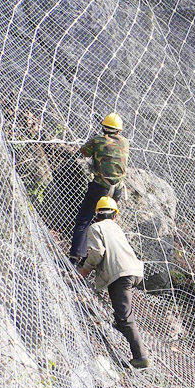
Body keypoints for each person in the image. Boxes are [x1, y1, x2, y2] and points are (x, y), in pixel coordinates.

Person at [78, 196, 150, 369]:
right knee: (121, 314)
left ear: (97, 215)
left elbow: (97, 252)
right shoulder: (116, 228)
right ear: (114, 215)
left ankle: (141, 357)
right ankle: (120, 326)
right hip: (131, 270)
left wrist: (84, 270)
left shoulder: (95, 227)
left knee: (125, 317)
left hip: (120, 274)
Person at [69, 113, 128, 267]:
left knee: (84, 220)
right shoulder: (125, 142)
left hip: (99, 187)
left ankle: (75, 259)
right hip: (117, 190)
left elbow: (83, 152)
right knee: (107, 225)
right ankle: (100, 263)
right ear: (119, 131)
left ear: (103, 127)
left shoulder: (97, 140)